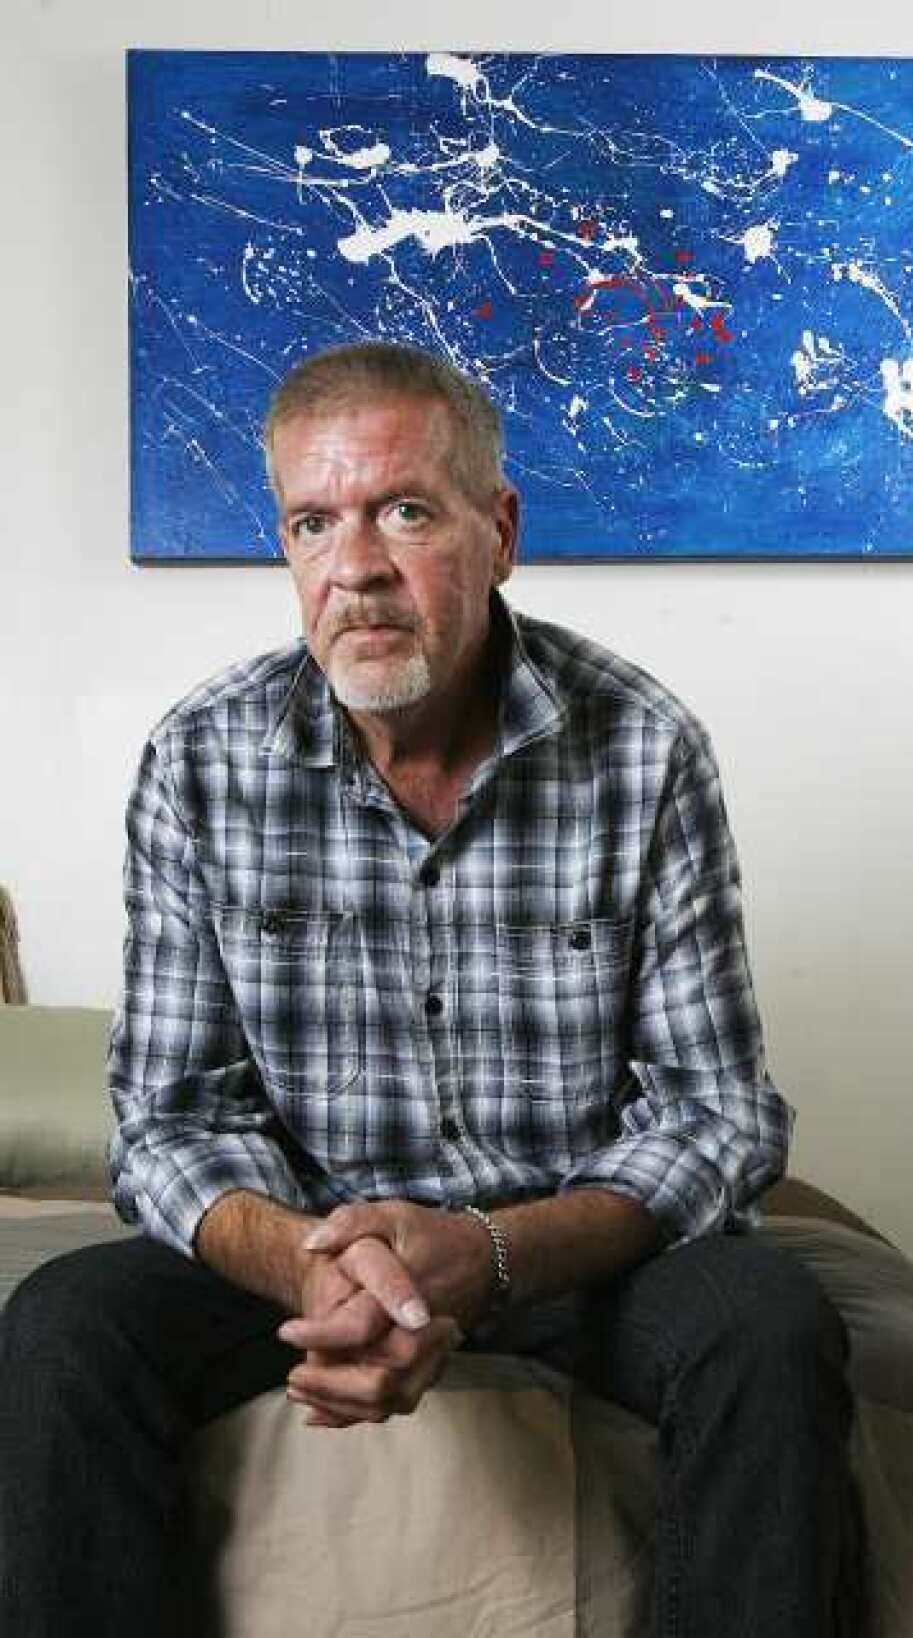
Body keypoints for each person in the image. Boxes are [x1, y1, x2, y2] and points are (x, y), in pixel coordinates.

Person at [0, 342, 854, 1636]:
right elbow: (170, 1123)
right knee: (62, 1323)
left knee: (769, 1320)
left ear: (498, 529)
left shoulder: (645, 747)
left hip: (576, 1254)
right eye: (312, 521)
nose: (355, 567)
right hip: (307, 1251)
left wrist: (495, 1256)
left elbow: (718, 1117)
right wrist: (308, 1265)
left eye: (404, 508)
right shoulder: (197, 764)